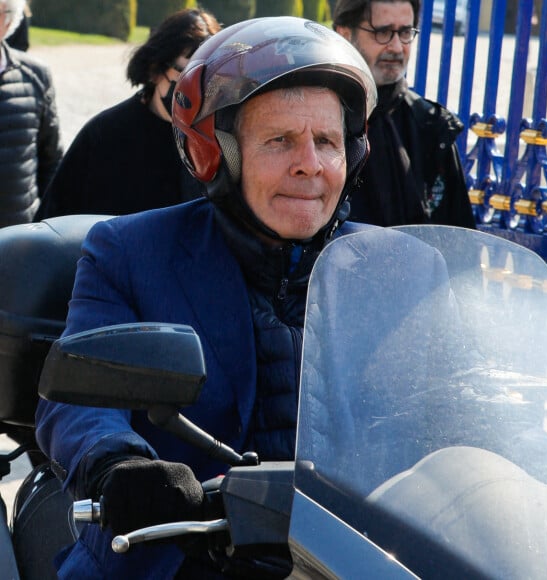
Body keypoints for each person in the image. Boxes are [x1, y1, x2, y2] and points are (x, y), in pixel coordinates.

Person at [35, 16, 378, 578]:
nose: (309, 164)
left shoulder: (389, 271)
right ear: (215, 154)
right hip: (178, 553)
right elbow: (79, 397)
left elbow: (440, 405)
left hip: (349, 561)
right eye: (279, 140)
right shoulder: (130, 252)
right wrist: (116, 463)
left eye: (327, 141)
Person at [34, 9, 221, 220]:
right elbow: (54, 223)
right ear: (154, 68)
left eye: (208, 77)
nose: (197, 88)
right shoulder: (104, 135)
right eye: (187, 74)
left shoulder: (219, 141)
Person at [333, 0, 476, 228]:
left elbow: (459, 239)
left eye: (405, 32)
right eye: (383, 32)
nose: (397, 47)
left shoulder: (432, 126)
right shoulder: (320, 122)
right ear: (345, 34)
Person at [0, 0, 62, 227]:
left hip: (14, 237)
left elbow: (52, 160)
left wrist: (42, 228)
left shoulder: (36, 76)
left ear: (7, 23)